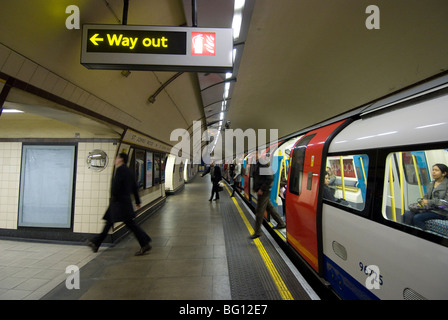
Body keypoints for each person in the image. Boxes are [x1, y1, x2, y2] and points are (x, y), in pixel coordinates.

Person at [87, 153, 152, 256]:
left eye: (117, 158)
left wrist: (113, 198)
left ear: (121, 159)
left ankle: (145, 243)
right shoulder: (129, 171)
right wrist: (137, 201)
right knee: (111, 223)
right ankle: (96, 243)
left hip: (118, 203)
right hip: (123, 202)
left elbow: (116, 187)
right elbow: (135, 187)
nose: (115, 160)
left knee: (129, 224)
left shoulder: (120, 170)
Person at [250, 153, 286, 239]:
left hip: (264, 192)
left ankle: (257, 232)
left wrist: (262, 189)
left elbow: (270, 177)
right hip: (262, 192)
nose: (252, 155)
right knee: (270, 208)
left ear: (258, 154)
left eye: (254, 153)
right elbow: (259, 178)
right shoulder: (258, 164)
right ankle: (281, 223)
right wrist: (255, 187)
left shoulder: (262, 164)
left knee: (259, 212)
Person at [403, 163, 448, 229]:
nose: (433, 172)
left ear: (444, 173)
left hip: (441, 211)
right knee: (407, 215)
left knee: (417, 218)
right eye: (433, 170)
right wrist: (422, 202)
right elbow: (426, 196)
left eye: (436, 170)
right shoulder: (431, 184)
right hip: (428, 208)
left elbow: (446, 203)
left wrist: (429, 202)